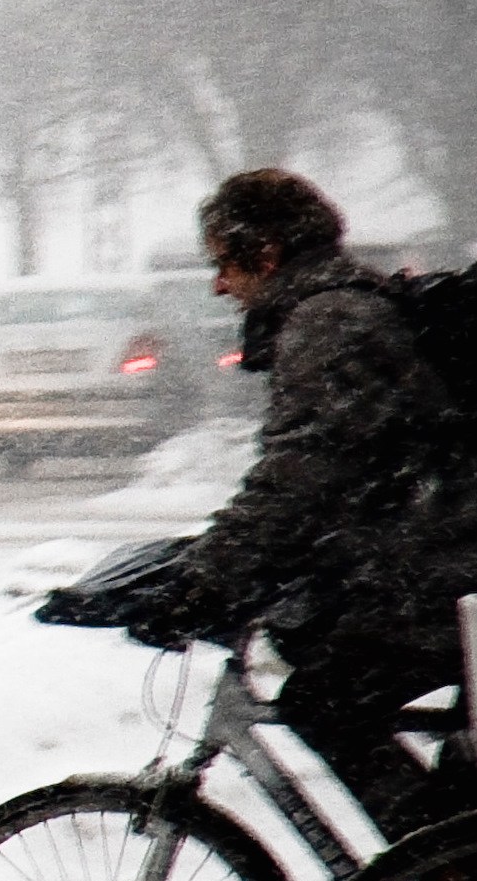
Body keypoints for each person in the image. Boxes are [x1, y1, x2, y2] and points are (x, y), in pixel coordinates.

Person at [165, 170, 477, 835]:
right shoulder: (346, 306)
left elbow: (298, 475)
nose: (218, 285)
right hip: (444, 571)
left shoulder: (328, 321)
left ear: (266, 253)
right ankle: (447, 856)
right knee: (326, 662)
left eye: (222, 262)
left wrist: (207, 578)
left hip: (450, 578)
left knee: (325, 701)